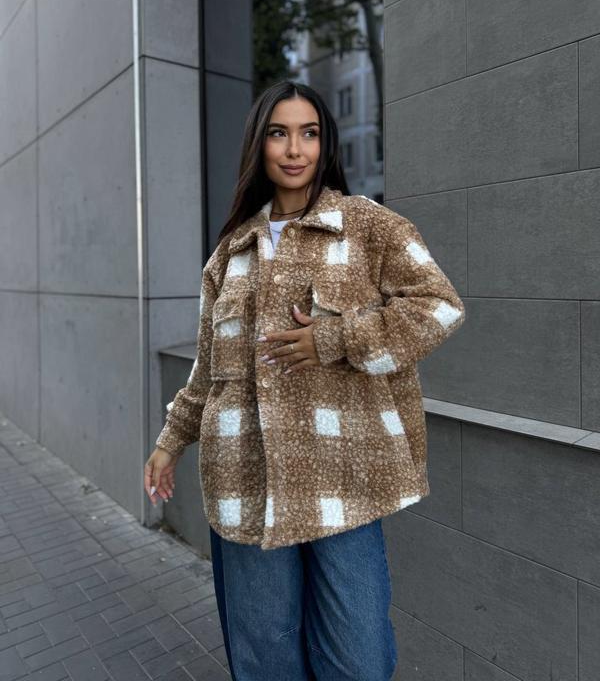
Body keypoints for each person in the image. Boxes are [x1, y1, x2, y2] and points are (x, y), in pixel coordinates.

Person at [144, 80, 466, 680]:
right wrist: (170, 442)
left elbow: (438, 307)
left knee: (361, 661)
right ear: (259, 145)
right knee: (264, 660)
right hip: (243, 479)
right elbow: (208, 370)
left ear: (325, 143)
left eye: (309, 133)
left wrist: (336, 338)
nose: (295, 149)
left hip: (345, 479)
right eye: (279, 133)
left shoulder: (366, 226)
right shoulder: (230, 254)